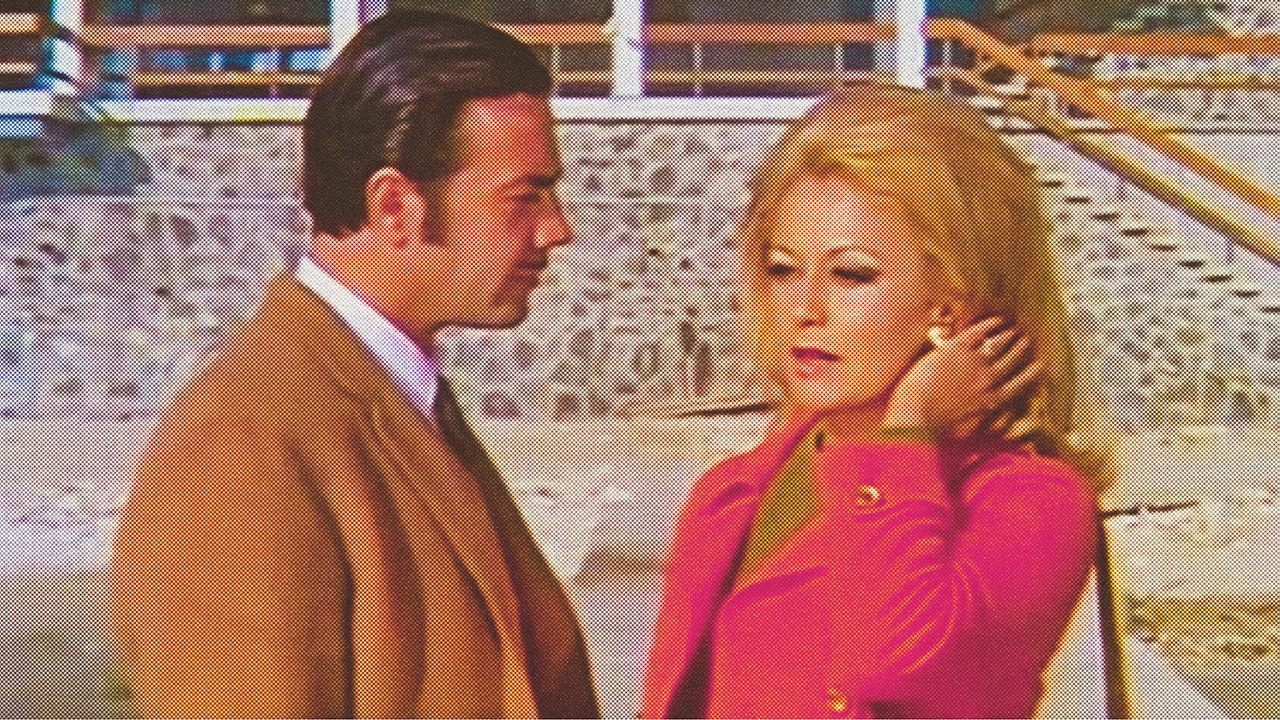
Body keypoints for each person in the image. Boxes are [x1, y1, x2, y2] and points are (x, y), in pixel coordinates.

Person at [110, 10, 599, 718]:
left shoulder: (393, 393)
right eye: (524, 197)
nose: (558, 229)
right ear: (395, 205)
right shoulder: (245, 444)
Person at [642, 84, 1111, 718]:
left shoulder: (1031, 503)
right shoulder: (734, 490)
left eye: (852, 275)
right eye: (782, 270)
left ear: (954, 302)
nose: (805, 309)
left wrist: (905, 434)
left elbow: (892, 659)